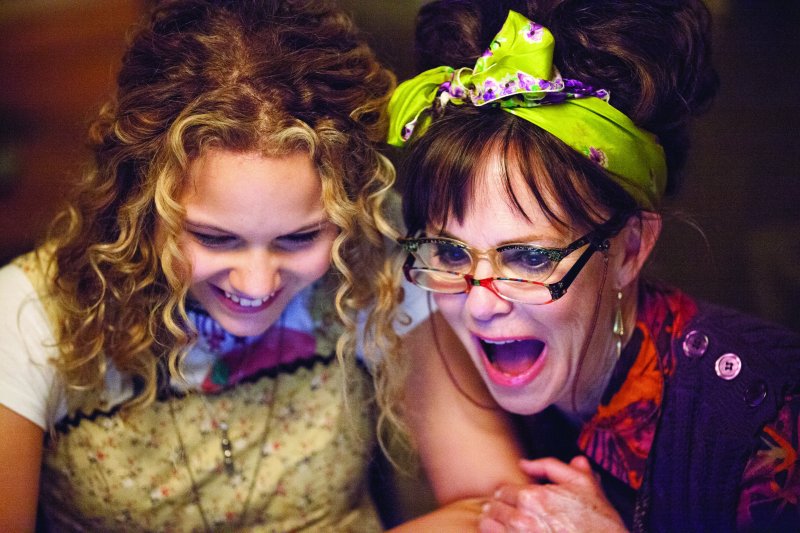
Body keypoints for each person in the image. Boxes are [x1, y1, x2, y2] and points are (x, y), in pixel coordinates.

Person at [0, 0, 498, 530]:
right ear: (140, 203)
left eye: (300, 237)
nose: (257, 283)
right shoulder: (28, 316)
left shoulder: (372, 253)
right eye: (214, 238)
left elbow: (497, 508)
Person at [384, 0, 800, 531]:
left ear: (630, 249)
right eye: (450, 252)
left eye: (530, 257)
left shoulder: (767, 415)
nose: (480, 305)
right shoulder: (452, 355)